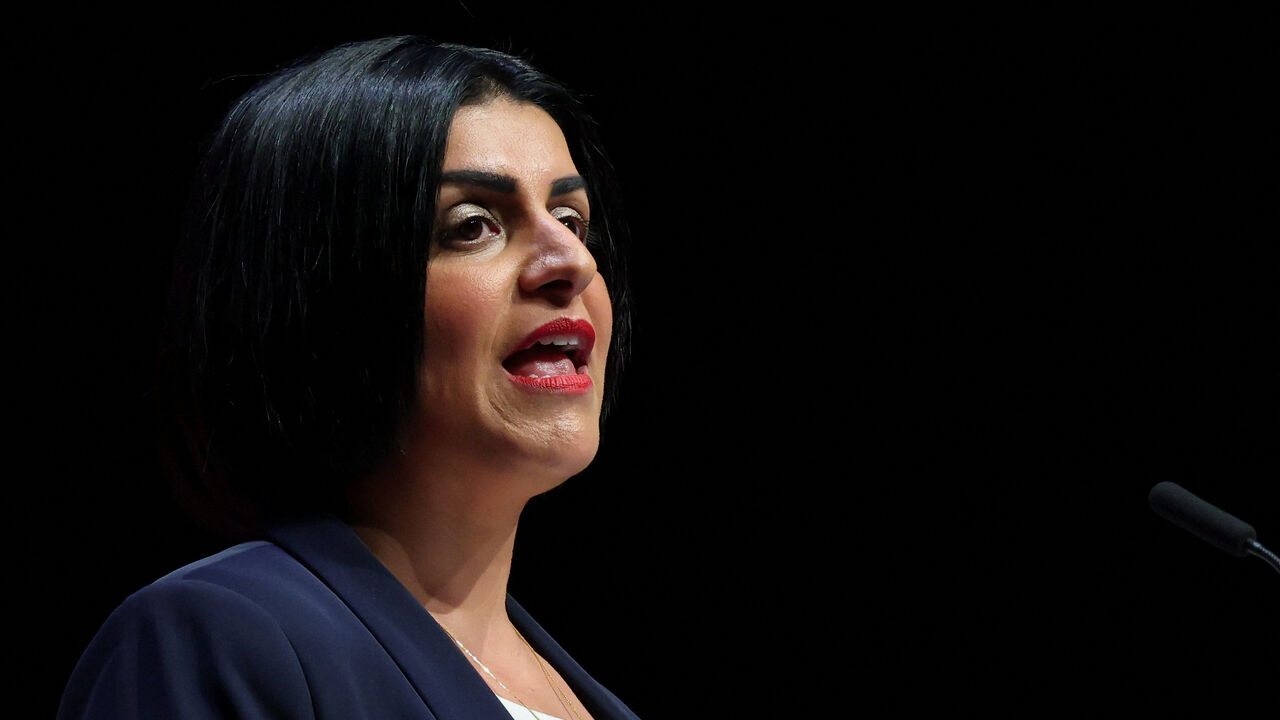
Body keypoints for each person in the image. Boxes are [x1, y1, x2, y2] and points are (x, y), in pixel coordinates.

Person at [58, 36, 639, 720]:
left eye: (572, 219)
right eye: (474, 225)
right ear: (328, 299)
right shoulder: (216, 640)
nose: (570, 260)